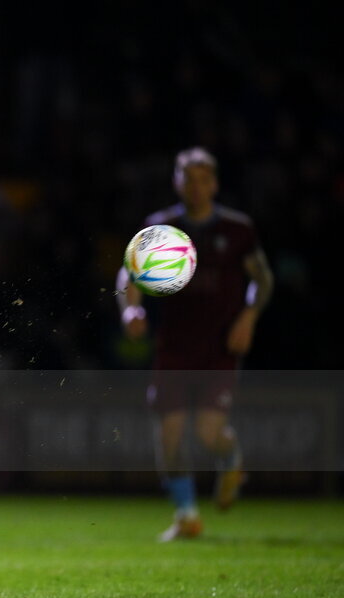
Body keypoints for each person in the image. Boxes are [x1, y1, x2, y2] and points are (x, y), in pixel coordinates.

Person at [117, 147, 274, 542]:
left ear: (215, 184)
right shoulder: (161, 228)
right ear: (176, 182)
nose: (196, 186)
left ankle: (231, 456)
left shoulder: (238, 230)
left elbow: (263, 278)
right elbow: (128, 273)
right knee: (168, 434)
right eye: (188, 178)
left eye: (204, 179)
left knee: (207, 434)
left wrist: (249, 316)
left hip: (220, 347)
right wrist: (130, 311)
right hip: (174, 348)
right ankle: (187, 514)